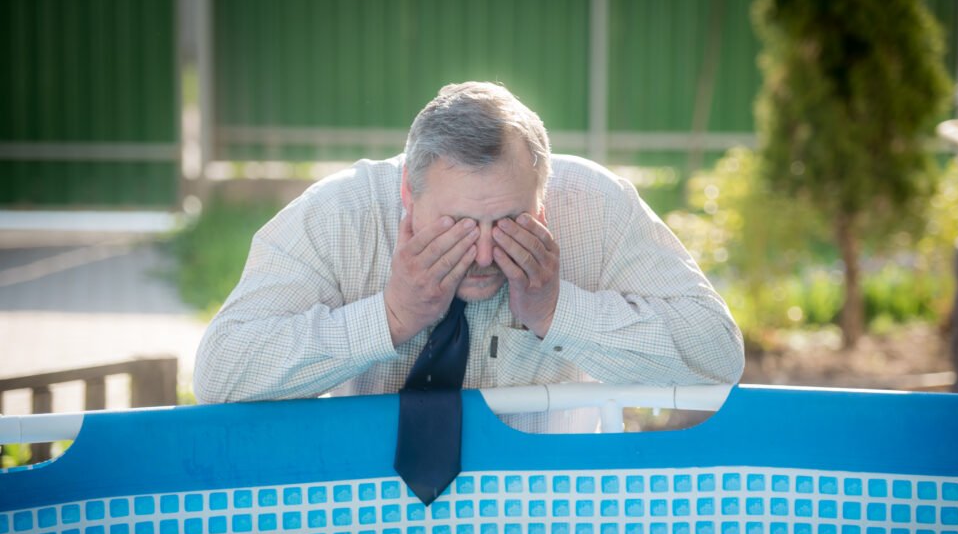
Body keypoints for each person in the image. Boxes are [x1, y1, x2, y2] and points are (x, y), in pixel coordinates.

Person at [193, 82, 744, 432]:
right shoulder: (340, 214)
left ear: (542, 198)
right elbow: (220, 374)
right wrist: (388, 319)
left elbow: (718, 355)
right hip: (375, 515)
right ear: (408, 194)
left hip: (555, 511)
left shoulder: (596, 206)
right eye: (457, 226)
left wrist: (559, 311)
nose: (482, 253)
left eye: (508, 222)